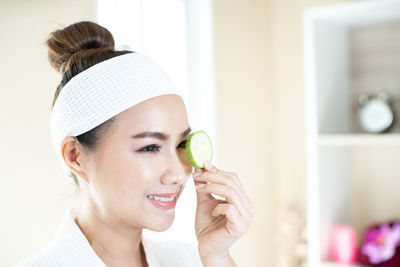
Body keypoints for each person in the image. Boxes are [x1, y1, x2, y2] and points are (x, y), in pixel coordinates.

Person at [15, 21, 254, 267]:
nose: (179, 175)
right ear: (75, 156)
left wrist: (217, 257)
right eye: (150, 147)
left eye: (181, 144)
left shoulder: (192, 259)